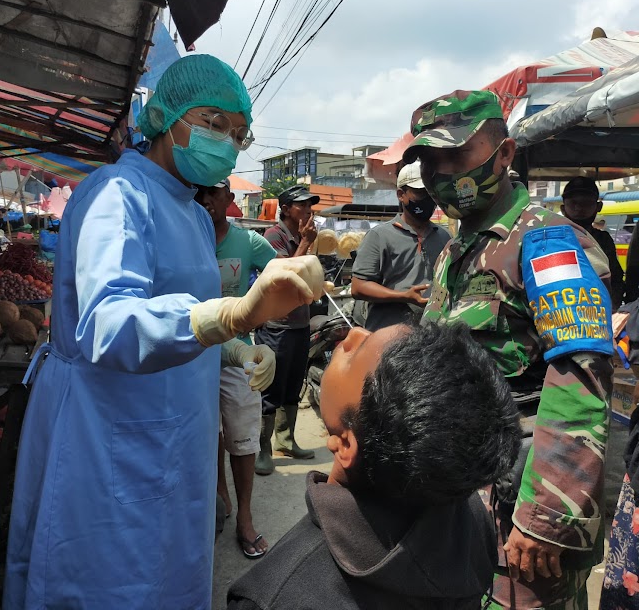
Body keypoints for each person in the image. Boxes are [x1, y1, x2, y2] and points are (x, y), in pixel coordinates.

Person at [2, 54, 325, 610]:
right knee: (106, 581)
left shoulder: (196, 214)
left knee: (171, 572)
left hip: (177, 431)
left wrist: (231, 349)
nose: (224, 141)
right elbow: (107, 323)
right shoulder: (116, 193)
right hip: (106, 429)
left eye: (238, 134)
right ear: (168, 115)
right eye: (213, 122)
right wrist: (233, 316)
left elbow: (188, 311)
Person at [403, 90, 614, 609]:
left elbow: (580, 384)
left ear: (504, 154)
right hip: (459, 497)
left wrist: (544, 518)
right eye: (430, 160)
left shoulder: (546, 243)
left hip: (520, 512)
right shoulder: (455, 252)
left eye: (457, 155)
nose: (441, 173)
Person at [227, 321, 522, 609]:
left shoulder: (271, 595)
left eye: (355, 353)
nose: (354, 332)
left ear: (345, 445)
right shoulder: (472, 516)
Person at [195, 178, 277, 559]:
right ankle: (220, 497)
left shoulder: (247, 242)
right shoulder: (186, 237)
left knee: (242, 438)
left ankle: (244, 517)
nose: (208, 200)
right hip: (190, 351)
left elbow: (280, 279)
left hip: (239, 353)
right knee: (207, 432)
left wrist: (253, 315)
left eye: (216, 192)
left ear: (229, 198)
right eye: (202, 192)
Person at [254, 185, 320, 476]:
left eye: (310, 204)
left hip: (299, 323)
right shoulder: (274, 236)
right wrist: (306, 242)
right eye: (302, 204)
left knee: (293, 384)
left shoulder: (301, 235)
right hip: (277, 326)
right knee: (271, 387)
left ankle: (286, 439)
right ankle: (263, 449)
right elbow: (286, 277)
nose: (308, 209)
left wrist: (307, 241)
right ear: (285, 209)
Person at [351, 162, 449, 331]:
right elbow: (359, 287)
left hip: (431, 336)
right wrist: (404, 296)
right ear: (401, 195)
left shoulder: (444, 236)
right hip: (388, 335)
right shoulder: (379, 236)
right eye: (420, 193)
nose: (427, 199)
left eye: (430, 193)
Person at [561, 176, 625, 310]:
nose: (579, 208)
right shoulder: (554, 239)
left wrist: (611, 309)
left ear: (599, 207)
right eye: (573, 203)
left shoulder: (604, 239)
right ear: (563, 208)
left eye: (586, 203)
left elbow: (616, 279)